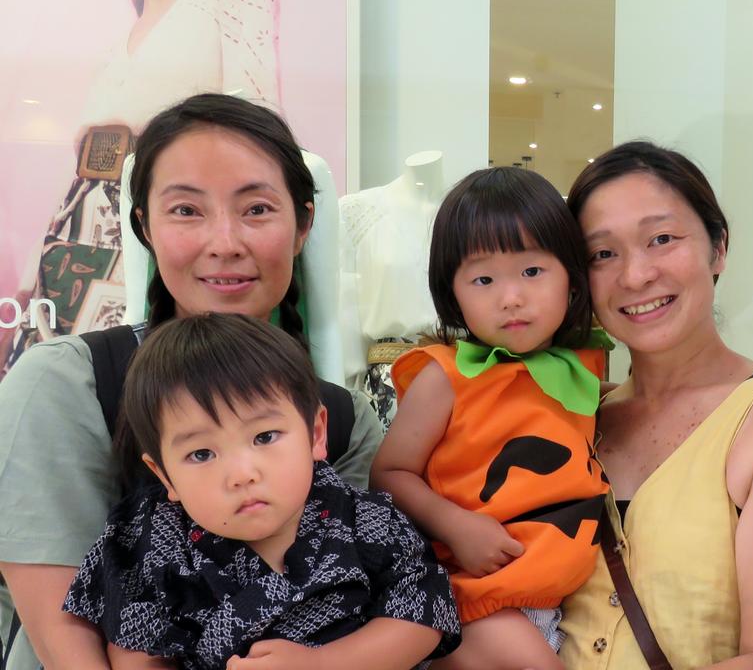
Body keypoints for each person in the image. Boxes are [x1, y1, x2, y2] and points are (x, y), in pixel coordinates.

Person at [0, 93, 384, 670]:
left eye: (257, 209)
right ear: (145, 228)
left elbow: (359, 604)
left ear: (303, 224)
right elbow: (64, 636)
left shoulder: (347, 421)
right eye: (186, 211)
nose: (225, 242)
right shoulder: (66, 383)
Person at [556, 141, 753, 669]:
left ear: (718, 248)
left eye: (661, 239)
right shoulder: (573, 420)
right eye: (603, 254)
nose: (635, 275)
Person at [62, 313, 460, 669]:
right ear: (164, 476)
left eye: (265, 436)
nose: (242, 473)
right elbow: (133, 652)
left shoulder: (366, 519)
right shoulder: (152, 543)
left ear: (315, 434)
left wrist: (322, 663)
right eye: (201, 454)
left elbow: (423, 614)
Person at [370, 167, 610, 670]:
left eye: (532, 272)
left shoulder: (584, 369)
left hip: (565, 594)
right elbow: (388, 474)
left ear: (571, 275)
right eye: (483, 279)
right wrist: (456, 526)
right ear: (451, 291)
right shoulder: (446, 376)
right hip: (479, 596)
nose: (511, 298)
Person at [2, 0, 280, 375]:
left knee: (146, 387)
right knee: (65, 394)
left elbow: (259, 129)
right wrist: (28, 281)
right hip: (72, 241)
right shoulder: (122, 43)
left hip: (154, 227)